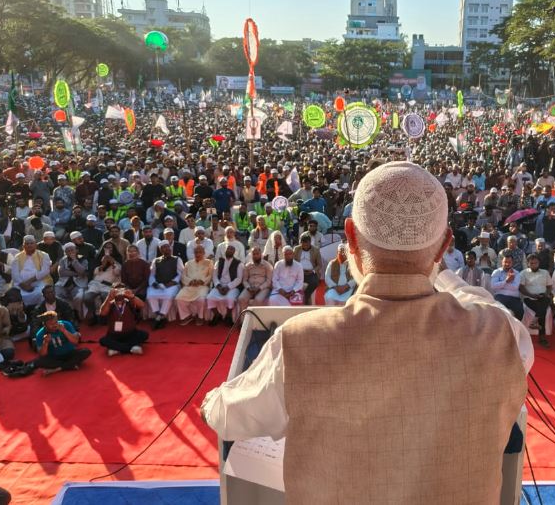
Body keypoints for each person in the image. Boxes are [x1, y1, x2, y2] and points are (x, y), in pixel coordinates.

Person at [202, 161, 531, 505]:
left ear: (350, 237)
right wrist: (440, 270)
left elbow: (225, 417)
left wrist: (210, 402)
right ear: (446, 244)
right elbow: (494, 309)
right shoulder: (500, 335)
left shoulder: (301, 341)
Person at [33, 311, 91, 376]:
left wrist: (64, 331)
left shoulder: (66, 324)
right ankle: (70, 365)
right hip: (54, 357)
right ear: (45, 325)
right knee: (38, 362)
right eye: (50, 324)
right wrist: (45, 343)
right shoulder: (40, 334)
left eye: (55, 322)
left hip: (70, 353)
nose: (54, 325)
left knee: (86, 351)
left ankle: (57, 369)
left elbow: (76, 341)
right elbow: (42, 354)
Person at [99, 285, 149, 356]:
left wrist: (132, 296)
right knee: (103, 341)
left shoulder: (129, 301)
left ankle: (116, 349)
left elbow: (142, 305)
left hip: (130, 333)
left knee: (144, 335)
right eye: (116, 291)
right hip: (114, 335)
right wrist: (109, 297)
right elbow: (102, 313)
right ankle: (131, 348)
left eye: (121, 290)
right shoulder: (110, 303)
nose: (119, 293)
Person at [147, 240, 184, 329]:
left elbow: (181, 273)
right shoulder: (156, 260)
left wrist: (173, 282)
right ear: (160, 250)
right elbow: (152, 274)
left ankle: (159, 318)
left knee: (168, 295)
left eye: (168, 247)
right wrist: (154, 283)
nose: (167, 249)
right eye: (164, 247)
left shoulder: (177, 259)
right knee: (150, 295)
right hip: (159, 284)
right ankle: (159, 316)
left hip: (172, 285)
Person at [176, 243, 214, 325]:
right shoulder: (188, 263)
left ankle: (200, 317)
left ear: (204, 253)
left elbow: (211, 275)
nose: (198, 254)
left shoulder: (209, 262)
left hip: (202, 286)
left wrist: (202, 281)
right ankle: (187, 316)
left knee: (201, 300)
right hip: (190, 286)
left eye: (200, 252)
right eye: (196, 252)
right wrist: (190, 281)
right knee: (179, 298)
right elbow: (183, 276)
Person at [10, 234, 52, 307]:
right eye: (27, 244)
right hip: (21, 284)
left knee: (41, 293)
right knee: (16, 294)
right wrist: (23, 285)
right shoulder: (17, 257)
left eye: (31, 243)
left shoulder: (44, 255)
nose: (29, 245)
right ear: (23, 246)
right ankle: (23, 312)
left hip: (39, 282)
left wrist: (29, 281)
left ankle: (38, 310)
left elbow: (45, 271)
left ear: (36, 245)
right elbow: (14, 274)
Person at [520, 253, 552, 348]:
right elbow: (521, 288)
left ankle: (535, 323)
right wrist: (531, 295)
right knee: (542, 308)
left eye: (536, 263)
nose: (534, 265)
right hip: (529, 297)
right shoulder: (523, 273)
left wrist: (546, 294)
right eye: (532, 263)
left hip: (543, 296)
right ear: (528, 263)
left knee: (545, 301)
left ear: (539, 263)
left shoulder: (545, 273)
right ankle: (542, 337)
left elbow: (549, 286)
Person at [238, 245, 273, 318]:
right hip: (250, 287)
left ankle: (254, 321)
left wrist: (259, 288)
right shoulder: (248, 266)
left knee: (258, 300)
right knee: (241, 298)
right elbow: (244, 280)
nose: (256, 256)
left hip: (263, 287)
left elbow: (269, 281)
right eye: (254, 254)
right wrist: (248, 287)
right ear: (251, 255)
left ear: (261, 254)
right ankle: (243, 321)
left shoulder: (267, 265)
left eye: (257, 254)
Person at [491, 251, 524, 320]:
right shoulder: (496, 272)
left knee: (520, 311)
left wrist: (501, 284)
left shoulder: (516, 273)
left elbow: (515, 287)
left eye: (509, 262)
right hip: (500, 297)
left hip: (514, 298)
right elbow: (493, 286)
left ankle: (516, 329)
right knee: (497, 311)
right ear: (501, 262)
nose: (507, 264)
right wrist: (506, 281)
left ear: (512, 263)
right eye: (505, 262)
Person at [294, 233, 322, 305]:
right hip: (299, 272)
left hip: (311, 272)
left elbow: (319, 265)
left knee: (314, 283)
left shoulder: (315, 250)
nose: (305, 245)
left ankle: (306, 296)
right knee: (293, 283)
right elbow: (293, 262)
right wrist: (299, 270)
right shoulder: (296, 249)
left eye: (307, 243)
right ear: (301, 243)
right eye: (303, 244)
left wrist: (312, 271)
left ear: (310, 242)